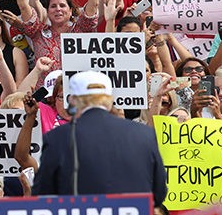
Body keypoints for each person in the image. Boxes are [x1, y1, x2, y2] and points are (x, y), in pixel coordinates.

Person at [32, 71, 167, 205]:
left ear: (72, 100)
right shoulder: (144, 134)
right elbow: (159, 192)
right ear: (109, 100)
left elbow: (43, 195)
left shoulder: (57, 138)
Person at [15, 0, 98, 88]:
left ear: (71, 10)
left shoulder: (81, 29)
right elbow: (23, 6)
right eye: (53, 6)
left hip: (76, 93)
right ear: (47, 11)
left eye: (62, 6)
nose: (58, 9)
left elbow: (93, 4)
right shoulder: (38, 32)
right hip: (44, 97)